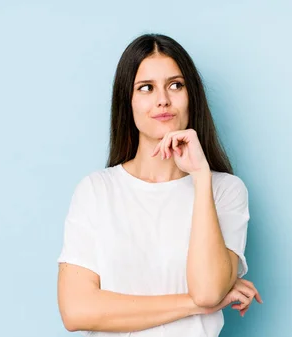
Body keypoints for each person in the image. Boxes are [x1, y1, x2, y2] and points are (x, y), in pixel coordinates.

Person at [56, 33, 263, 336]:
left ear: (192, 96)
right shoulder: (96, 191)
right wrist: (195, 305)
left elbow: (207, 291)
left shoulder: (225, 191)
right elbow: (76, 311)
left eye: (175, 85)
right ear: (128, 102)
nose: (162, 99)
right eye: (146, 88)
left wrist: (201, 177)